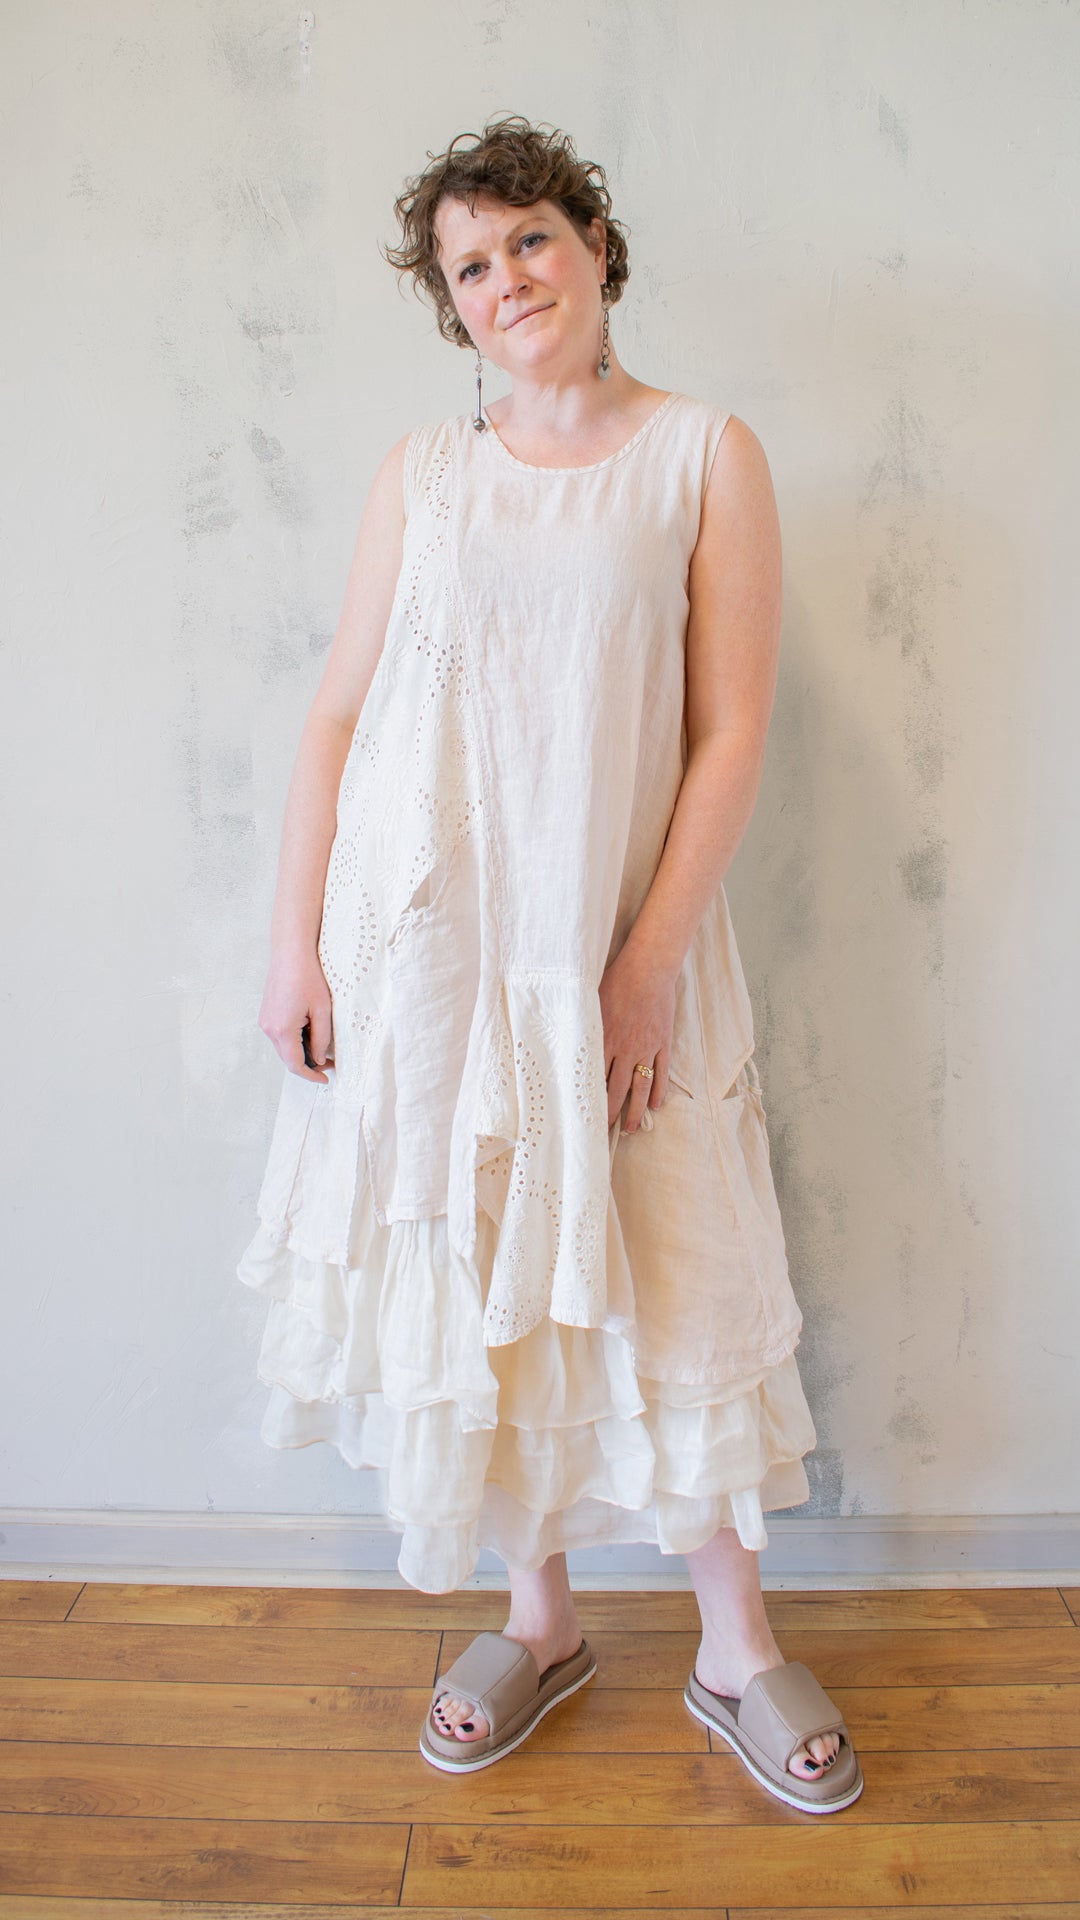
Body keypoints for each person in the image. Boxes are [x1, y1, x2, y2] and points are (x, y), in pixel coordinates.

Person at [237, 115, 863, 1814]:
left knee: (683, 1271)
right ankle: (541, 1620)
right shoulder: (422, 474)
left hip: (623, 951)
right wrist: (296, 945)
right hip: (429, 971)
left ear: (594, 247)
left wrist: (644, 969)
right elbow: (341, 714)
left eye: (529, 239)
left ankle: (735, 1648)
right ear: (449, 306)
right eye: (469, 264)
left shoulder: (704, 455)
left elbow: (729, 737)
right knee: (486, 1279)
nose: (506, 277)